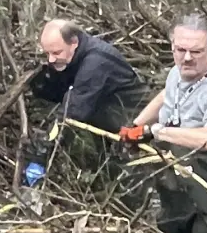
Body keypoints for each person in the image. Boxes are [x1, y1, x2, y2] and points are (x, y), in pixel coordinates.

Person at [117, 14, 207, 233]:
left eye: (196, 51)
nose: (187, 58)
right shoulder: (177, 74)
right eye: (181, 50)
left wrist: (155, 131)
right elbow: (166, 94)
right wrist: (137, 124)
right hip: (178, 191)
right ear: (172, 46)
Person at [24, 19, 145, 185]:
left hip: (135, 127)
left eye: (57, 53)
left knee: (129, 184)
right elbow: (59, 93)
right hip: (107, 125)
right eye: (47, 54)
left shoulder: (96, 62)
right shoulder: (72, 57)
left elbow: (72, 112)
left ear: (74, 42)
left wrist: (41, 153)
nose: (51, 60)